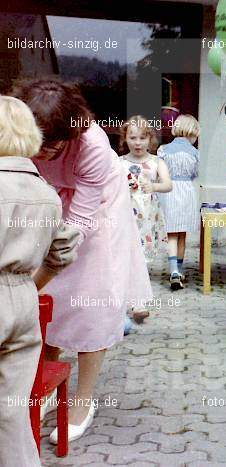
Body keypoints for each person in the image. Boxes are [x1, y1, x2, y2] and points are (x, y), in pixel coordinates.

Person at [11, 78, 153, 444]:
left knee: (90, 299)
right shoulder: (18, 130)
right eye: (36, 144)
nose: (40, 153)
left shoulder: (93, 147)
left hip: (98, 209)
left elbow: (81, 221)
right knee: (49, 302)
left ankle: (84, 399)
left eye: (51, 147)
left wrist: (51, 254)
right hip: (49, 198)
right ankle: (45, 385)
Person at [0, 96, 80, 467]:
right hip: (22, 303)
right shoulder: (45, 193)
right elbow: (63, 250)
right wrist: (31, 285)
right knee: (12, 413)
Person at [119, 116, 172, 323]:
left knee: (141, 260)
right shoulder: (119, 162)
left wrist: (155, 186)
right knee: (125, 258)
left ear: (150, 139)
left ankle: (137, 301)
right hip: (125, 216)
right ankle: (128, 302)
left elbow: (168, 184)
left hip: (148, 218)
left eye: (142, 137)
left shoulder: (157, 162)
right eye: (133, 137)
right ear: (125, 138)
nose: (138, 142)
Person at [157, 114, 200, 290]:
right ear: (193, 132)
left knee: (171, 234)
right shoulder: (195, 153)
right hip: (187, 192)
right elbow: (195, 174)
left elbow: (159, 172)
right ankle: (179, 270)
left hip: (169, 192)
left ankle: (174, 270)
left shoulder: (163, 150)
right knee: (182, 234)